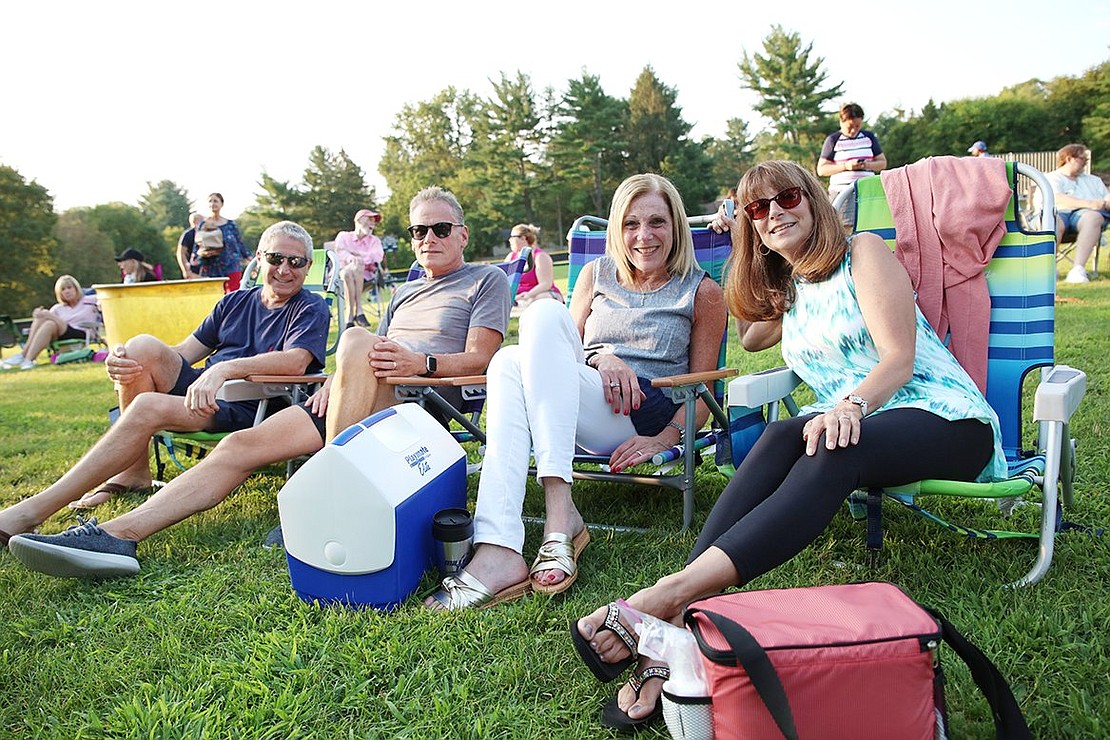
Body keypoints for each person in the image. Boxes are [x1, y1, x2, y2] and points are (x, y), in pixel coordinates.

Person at [570, 161, 1007, 732]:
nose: (774, 212)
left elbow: (899, 358)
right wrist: (768, 274)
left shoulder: (865, 254)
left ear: (813, 200)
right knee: (780, 433)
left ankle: (667, 600)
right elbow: (750, 331)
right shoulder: (796, 288)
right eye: (757, 209)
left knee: (830, 445)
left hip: (943, 417)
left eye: (786, 197)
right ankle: (677, 618)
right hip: (854, 424)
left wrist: (850, 404)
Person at [3, 188, 510, 580]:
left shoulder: (483, 279)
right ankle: (116, 536)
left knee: (354, 337)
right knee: (238, 445)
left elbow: (482, 361)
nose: (428, 239)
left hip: (422, 406)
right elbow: (365, 357)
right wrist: (340, 378)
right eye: (419, 231)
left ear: (462, 234)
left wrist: (415, 364)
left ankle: (327, 502)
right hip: (361, 401)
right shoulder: (403, 292)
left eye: (440, 228)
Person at [425, 173, 727, 611]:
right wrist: (602, 358)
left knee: (520, 345)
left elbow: (703, 392)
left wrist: (663, 440)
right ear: (616, 231)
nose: (644, 236)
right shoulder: (594, 274)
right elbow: (559, 346)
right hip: (572, 404)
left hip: (637, 413)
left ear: (676, 226)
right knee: (523, 342)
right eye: (630, 224)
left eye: (657, 222)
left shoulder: (702, 292)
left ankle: (534, 532)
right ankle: (513, 539)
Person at [0, 220, 330, 546]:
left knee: (147, 405)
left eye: (296, 262)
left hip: (251, 403)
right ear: (259, 258)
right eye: (276, 258)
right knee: (140, 347)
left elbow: (297, 359)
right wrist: (122, 357)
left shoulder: (309, 307)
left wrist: (224, 369)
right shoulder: (234, 302)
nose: (285, 270)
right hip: (205, 392)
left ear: (307, 266)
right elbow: (185, 352)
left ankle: (31, 511)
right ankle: (134, 471)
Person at [1, 275, 99, 371]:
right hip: (61, 333)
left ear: (76, 288)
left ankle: (24, 356)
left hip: (82, 331)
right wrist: (38, 315)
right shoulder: (58, 308)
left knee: (46, 315)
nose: (67, 291)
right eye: (63, 289)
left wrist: (45, 314)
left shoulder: (90, 300)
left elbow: (107, 298)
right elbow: (44, 322)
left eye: (69, 288)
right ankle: (28, 359)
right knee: (47, 322)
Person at [1044, 144, 1110, 284]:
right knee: (1052, 220)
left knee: (1093, 217)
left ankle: (1078, 270)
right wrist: (1090, 204)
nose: (1086, 161)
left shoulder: (1094, 180)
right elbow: (1057, 198)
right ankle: (1048, 269)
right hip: (1058, 212)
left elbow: (1106, 198)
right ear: (1069, 158)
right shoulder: (1051, 178)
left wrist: (1106, 202)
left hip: (1084, 218)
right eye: (1082, 158)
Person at [816, 103, 888, 200]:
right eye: (850, 126)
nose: (854, 130)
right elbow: (821, 170)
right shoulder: (833, 140)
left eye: (857, 126)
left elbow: (882, 163)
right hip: (842, 193)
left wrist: (866, 165)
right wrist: (846, 166)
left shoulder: (869, 137)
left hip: (868, 190)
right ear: (841, 122)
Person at [335, 208, 386, 328]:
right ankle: (359, 312)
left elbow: (377, 257)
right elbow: (340, 252)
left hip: (366, 278)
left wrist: (355, 254)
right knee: (348, 272)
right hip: (342, 277)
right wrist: (353, 258)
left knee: (357, 265)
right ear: (358, 220)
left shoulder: (375, 241)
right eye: (369, 219)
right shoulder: (343, 236)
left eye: (374, 221)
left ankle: (349, 317)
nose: (372, 223)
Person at [192, 193, 251, 292]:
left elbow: (240, 243)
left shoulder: (230, 224)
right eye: (210, 201)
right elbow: (197, 245)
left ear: (221, 204)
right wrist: (196, 259)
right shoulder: (203, 224)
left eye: (215, 201)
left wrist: (249, 258)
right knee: (214, 296)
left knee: (234, 295)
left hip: (231, 265)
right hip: (211, 266)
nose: (212, 204)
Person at [505, 222, 562, 307]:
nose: (510, 240)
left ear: (523, 238)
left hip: (541, 294)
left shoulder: (540, 256)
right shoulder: (511, 257)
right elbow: (505, 280)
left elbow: (546, 284)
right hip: (519, 297)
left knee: (539, 300)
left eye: (512, 237)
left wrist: (528, 295)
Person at [177, 212, 205, 279]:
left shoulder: (206, 233)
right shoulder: (188, 234)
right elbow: (181, 253)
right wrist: (186, 270)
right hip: (193, 269)